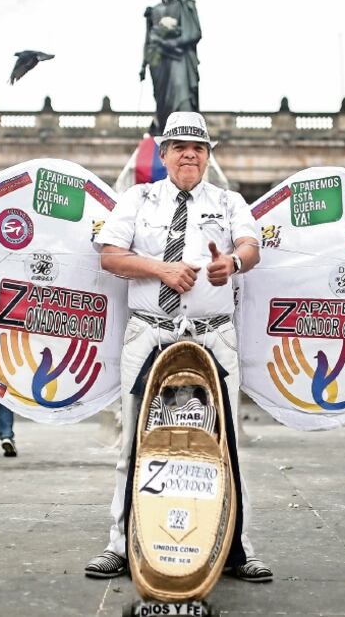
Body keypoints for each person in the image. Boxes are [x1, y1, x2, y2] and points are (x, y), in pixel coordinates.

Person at [84, 111, 272, 582]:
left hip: (212, 332)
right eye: (180, 146)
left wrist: (231, 261)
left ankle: (236, 547)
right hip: (150, 330)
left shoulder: (228, 202)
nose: (190, 153)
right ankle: (121, 543)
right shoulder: (138, 198)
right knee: (133, 438)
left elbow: (252, 247)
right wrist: (161, 270)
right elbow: (109, 255)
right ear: (164, 153)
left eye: (199, 147)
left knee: (223, 441)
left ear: (208, 156)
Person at [141, 0, 201, 136]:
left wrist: (173, 42)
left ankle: (186, 133)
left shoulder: (183, 5)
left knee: (181, 92)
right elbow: (148, 40)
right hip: (160, 62)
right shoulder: (154, 10)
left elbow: (195, 32)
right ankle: (166, 132)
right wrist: (143, 65)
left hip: (179, 57)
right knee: (162, 102)